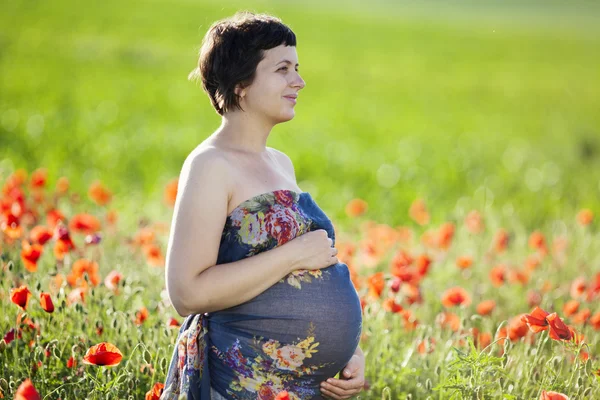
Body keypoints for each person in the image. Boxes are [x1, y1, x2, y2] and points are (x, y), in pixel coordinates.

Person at [161, 11, 364, 400]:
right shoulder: (211, 165)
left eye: (298, 68)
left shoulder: (281, 163)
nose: (299, 81)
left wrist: (350, 353)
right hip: (244, 387)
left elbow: (306, 277)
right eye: (283, 69)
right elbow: (187, 292)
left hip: (307, 389)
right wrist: (292, 255)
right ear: (240, 84)